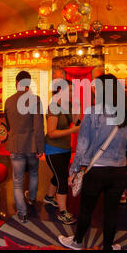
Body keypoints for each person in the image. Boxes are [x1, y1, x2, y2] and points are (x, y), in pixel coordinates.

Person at [58, 74, 127, 250]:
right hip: (119, 171)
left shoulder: (92, 113)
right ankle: (108, 247)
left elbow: (82, 145)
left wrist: (74, 171)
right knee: (112, 211)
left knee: (86, 209)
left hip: (95, 170)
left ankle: (77, 242)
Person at [4, 71, 44, 223]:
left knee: (18, 181)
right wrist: (41, 148)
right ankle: (32, 199)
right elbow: (39, 127)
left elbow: (8, 124)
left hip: (15, 145)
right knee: (34, 172)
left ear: (16, 83)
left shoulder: (8, 101)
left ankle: (22, 213)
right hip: (32, 145)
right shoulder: (35, 100)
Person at [44, 79, 80, 224]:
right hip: (53, 150)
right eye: (69, 91)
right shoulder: (53, 107)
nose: (72, 93)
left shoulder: (68, 105)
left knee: (58, 174)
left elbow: (77, 123)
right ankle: (63, 212)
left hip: (65, 149)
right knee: (63, 180)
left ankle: (49, 197)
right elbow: (51, 133)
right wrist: (73, 130)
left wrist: (77, 108)